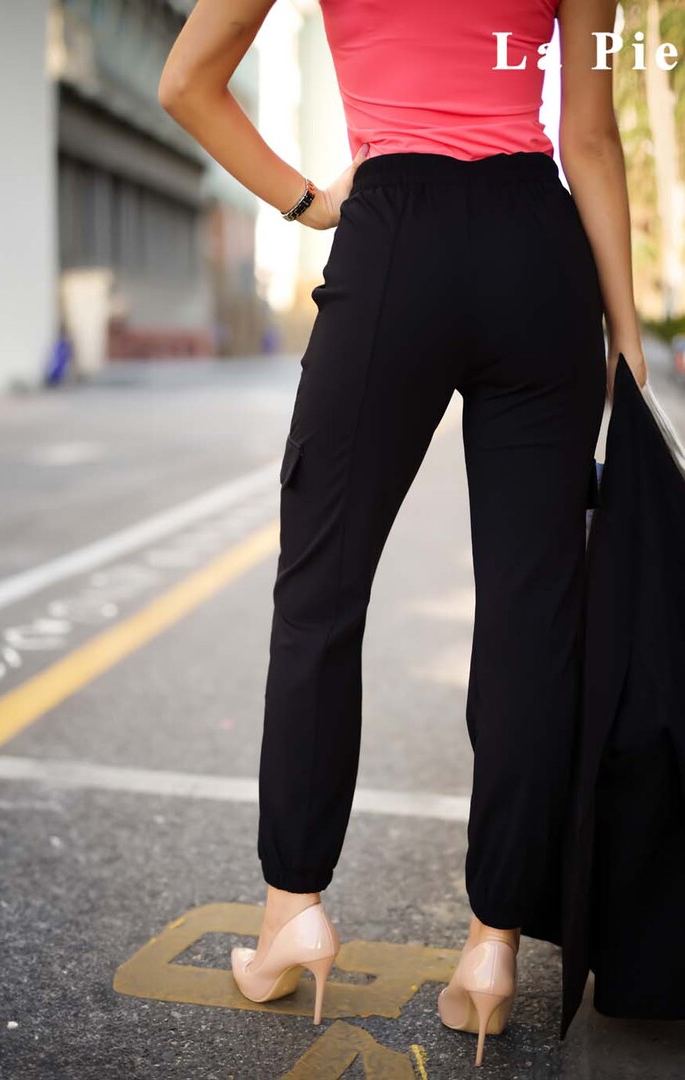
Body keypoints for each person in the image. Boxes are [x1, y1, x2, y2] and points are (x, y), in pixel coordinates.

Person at [158, 0, 649, 1065]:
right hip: (538, 247)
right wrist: (626, 330)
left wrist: (307, 203)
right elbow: (591, 136)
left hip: (393, 241)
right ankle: (491, 949)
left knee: (321, 594)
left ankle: (292, 914)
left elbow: (186, 83)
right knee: (533, 616)